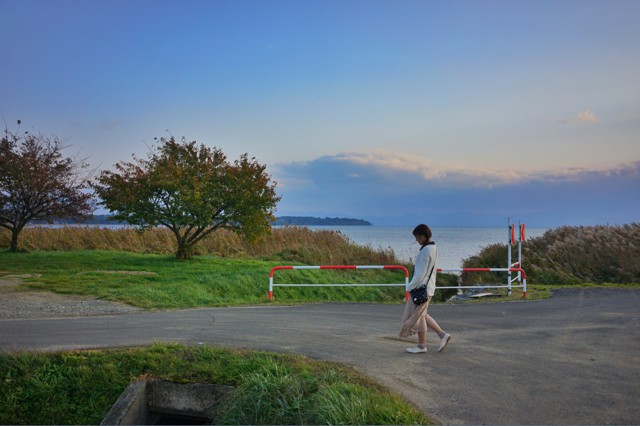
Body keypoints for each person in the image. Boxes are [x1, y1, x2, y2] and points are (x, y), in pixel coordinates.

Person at [399, 224, 452, 353]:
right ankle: (441, 336)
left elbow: (419, 275)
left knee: (419, 316)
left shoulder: (426, 251)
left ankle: (422, 345)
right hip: (428, 288)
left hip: (421, 289)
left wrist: (409, 287)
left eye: (417, 237)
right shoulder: (433, 248)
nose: (416, 239)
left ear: (423, 236)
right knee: (422, 315)